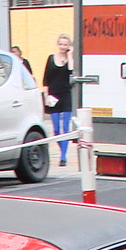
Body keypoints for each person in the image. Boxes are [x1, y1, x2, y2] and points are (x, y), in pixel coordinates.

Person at [42, 34, 73, 162]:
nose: (62, 47)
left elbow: (71, 71)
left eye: (65, 45)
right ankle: (62, 149)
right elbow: (46, 80)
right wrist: (46, 97)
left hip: (66, 95)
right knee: (55, 129)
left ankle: (63, 157)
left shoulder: (70, 59)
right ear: (57, 44)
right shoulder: (51, 58)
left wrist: (70, 55)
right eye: (61, 44)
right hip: (53, 95)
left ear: (69, 46)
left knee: (65, 128)